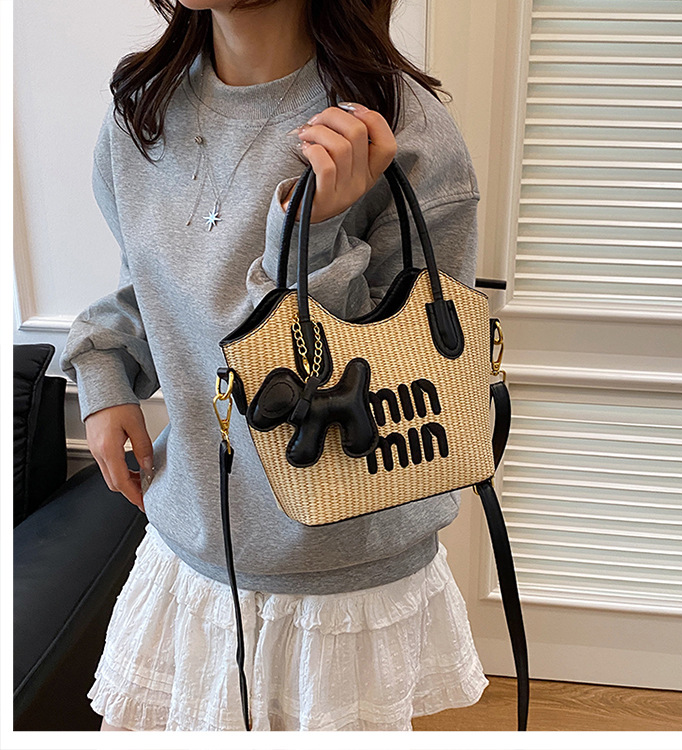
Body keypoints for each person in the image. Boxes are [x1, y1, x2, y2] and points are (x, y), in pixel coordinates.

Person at [60, 0, 487, 732]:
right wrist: (103, 373)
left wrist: (313, 233)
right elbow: (151, 283)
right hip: (190, 548)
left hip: (341, 574)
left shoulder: (399, 127)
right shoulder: (142, 111)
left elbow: (408, 359)